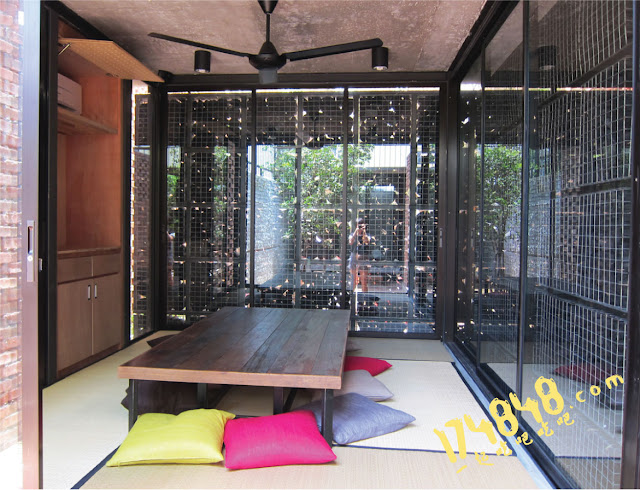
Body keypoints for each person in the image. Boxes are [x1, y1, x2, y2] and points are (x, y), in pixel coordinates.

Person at [349, 218, 371, 292]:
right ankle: (351, 295)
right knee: (353, 280)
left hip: (363, 257)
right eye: (359, 225)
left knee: (364, 280)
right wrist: (356, 232)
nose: (360, 227)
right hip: (354, 256)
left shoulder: (367, 234)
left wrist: (364, 232)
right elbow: (350, 242)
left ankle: (365, 296)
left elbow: (367, 241)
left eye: (362, 225)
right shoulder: (352, 234)